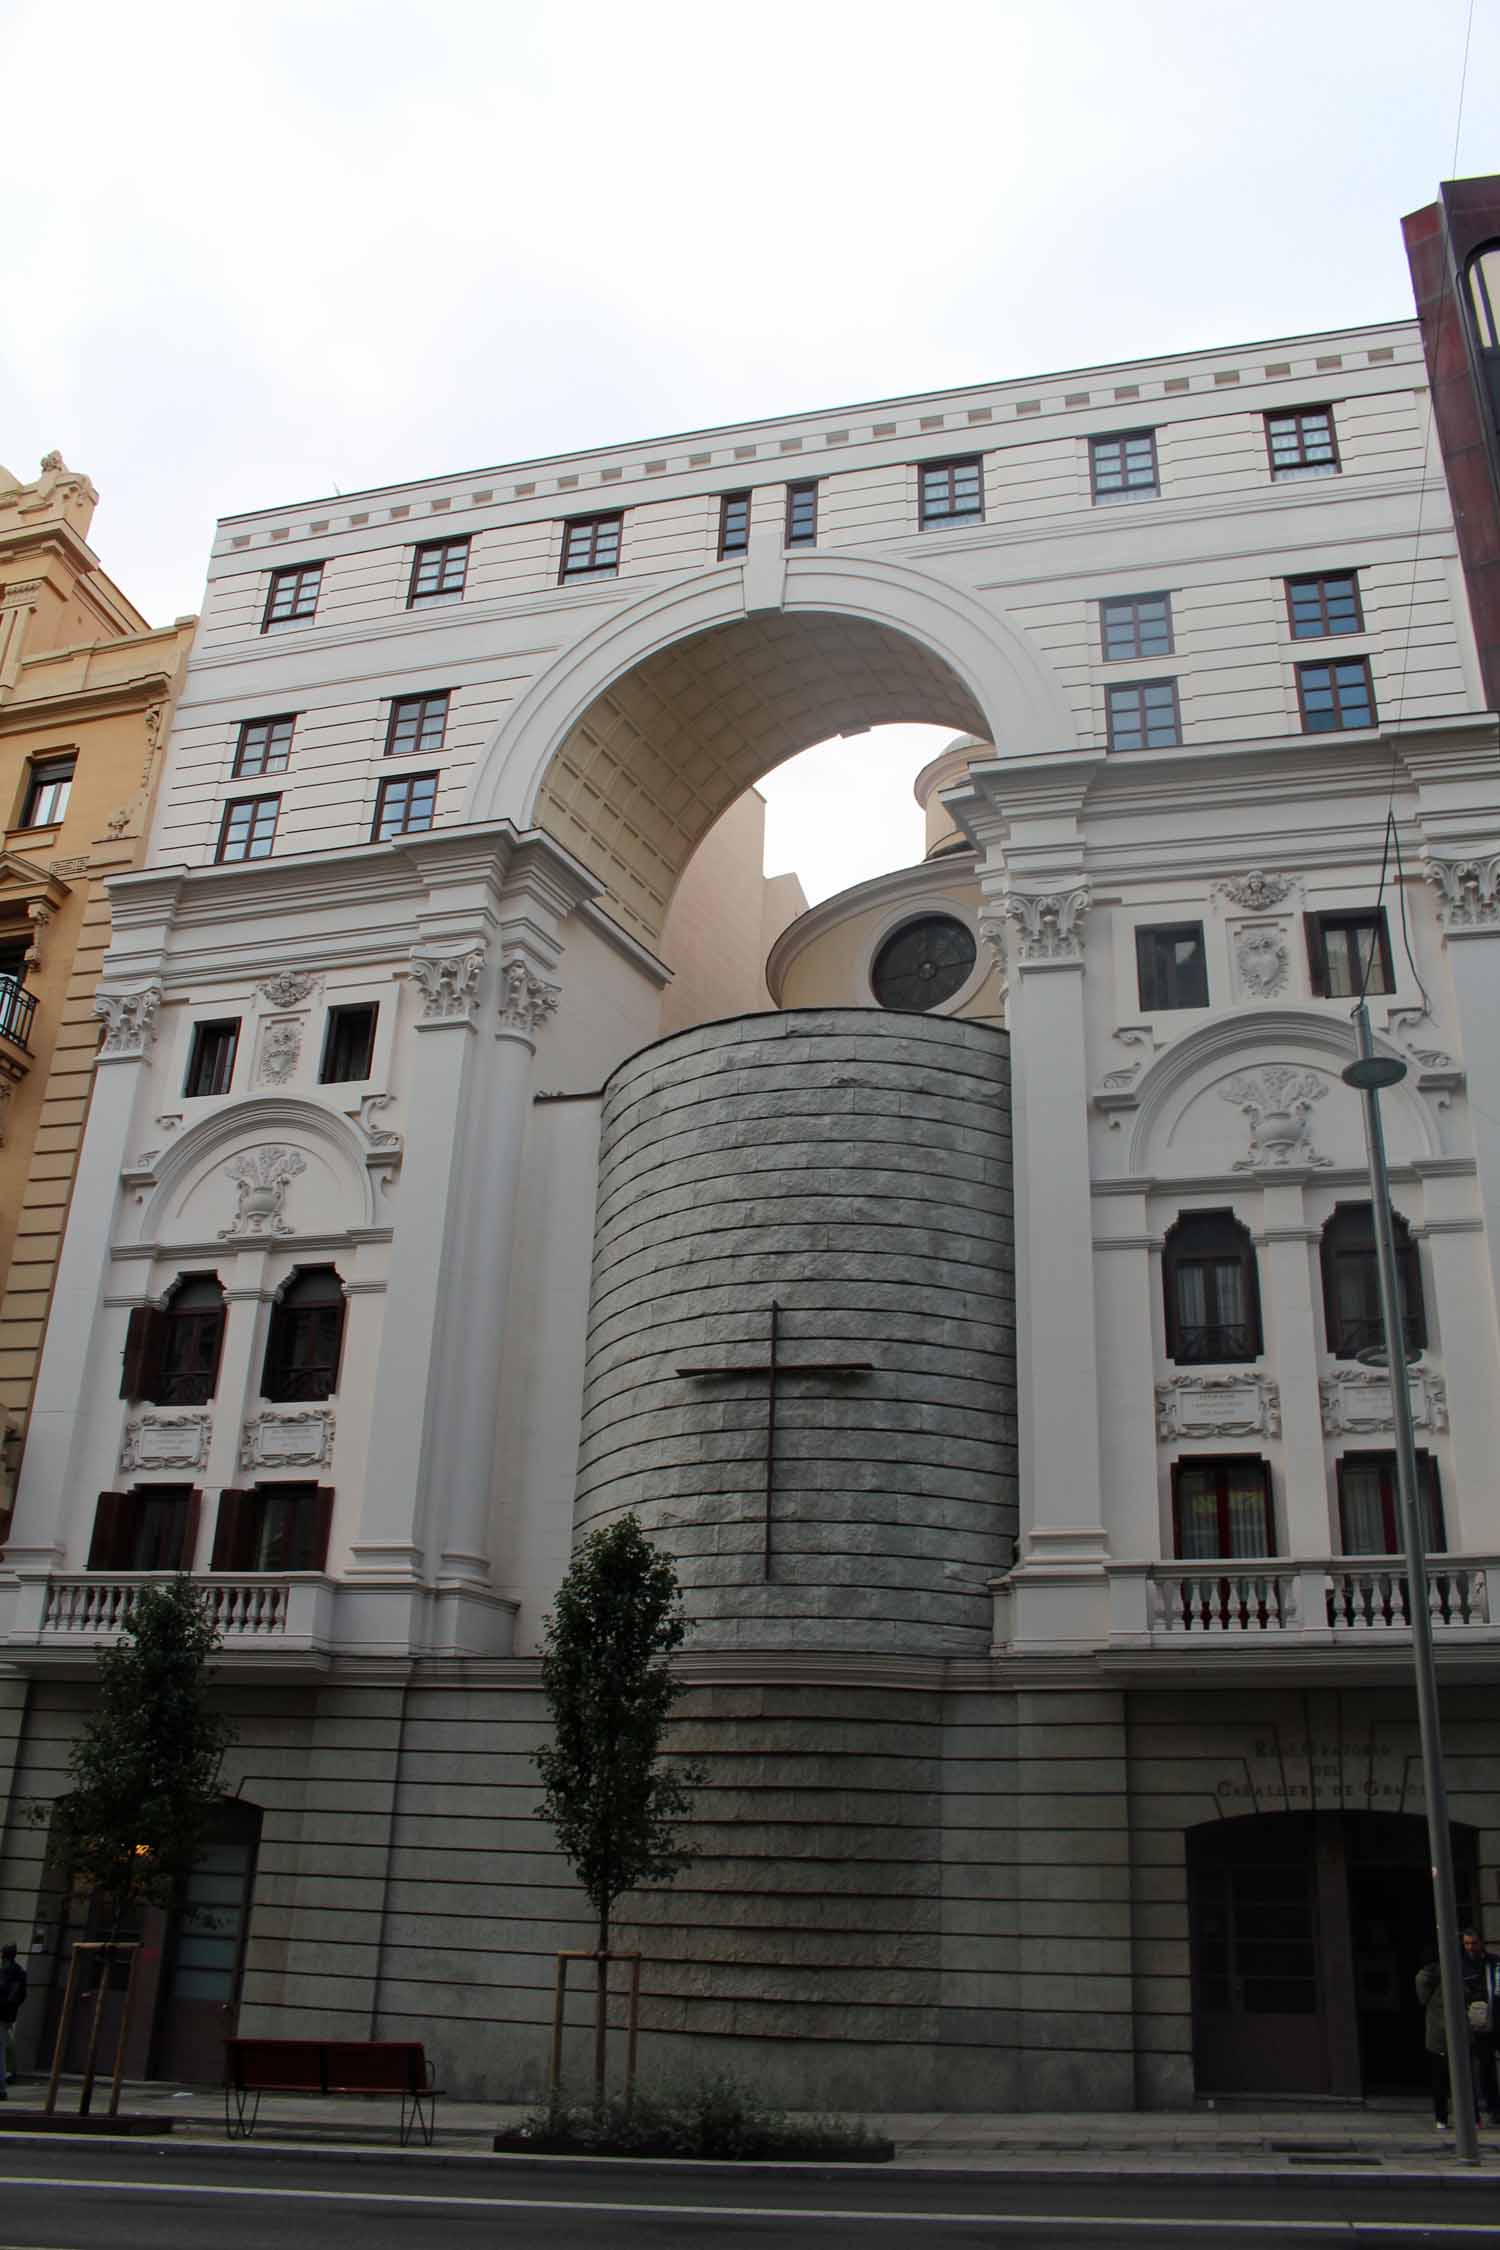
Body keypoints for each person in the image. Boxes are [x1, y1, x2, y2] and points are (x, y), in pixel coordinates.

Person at [1461, 1928, 1500, 2125]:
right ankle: (1493, 2108)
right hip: (1478, 2024)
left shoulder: (1494, 1962)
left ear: (1481, 1943)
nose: (1470, 1947)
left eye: (1473, 1943)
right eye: (1467, 1943)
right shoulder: (1462, 1965)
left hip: (1496, 2017)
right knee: (1485, 2068)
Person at [0, 1942, 27, 2100]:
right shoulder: (20, 1972)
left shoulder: (4, 1972)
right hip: (8, 2016)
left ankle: (1, 2088)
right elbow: (21, 1996)